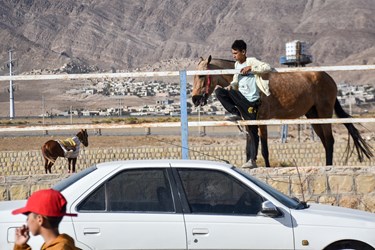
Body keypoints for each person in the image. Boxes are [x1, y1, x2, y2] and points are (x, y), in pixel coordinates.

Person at [215, 39, 272, 168]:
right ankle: (236, 113)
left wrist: (251, 68)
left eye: (236, 53)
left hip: (252, 101)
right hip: (240, 97)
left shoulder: (251, 61)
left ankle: (252, 159)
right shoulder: (236, 65)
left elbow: (267, 67)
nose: (234, 56)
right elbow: (236, 81)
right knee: (219, 91)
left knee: (252, 131)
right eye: (232, 53)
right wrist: (231, 86)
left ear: (243, 52)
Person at [12, 189, 80, 250]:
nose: (27, 221)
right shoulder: (61, 244)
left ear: (39, 220)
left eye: (28, 217)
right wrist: (20, 245)